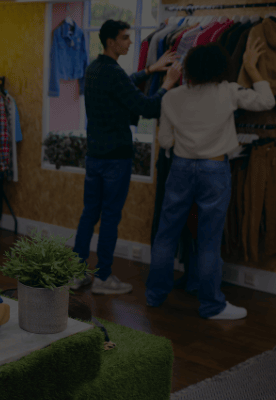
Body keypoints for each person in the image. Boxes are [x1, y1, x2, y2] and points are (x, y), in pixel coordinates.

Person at [146, 38, 274, 319]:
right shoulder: (227, 91)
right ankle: (211, 305)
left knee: (166, 235)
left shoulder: (171, 97)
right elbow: (267, 100)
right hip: (214, 170)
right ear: (221, 67)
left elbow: (165, 140)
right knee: (208, 239)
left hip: (179, 168)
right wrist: (251, 67)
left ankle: (154, 296)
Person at [68, 20, 183, 294]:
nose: (130, 42)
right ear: (111, 42)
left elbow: (123, 85)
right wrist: (167, 84)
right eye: (124, 37)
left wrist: (148, 70)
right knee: (110, 218)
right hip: (116, 158)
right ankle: (104, 278)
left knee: (88, 215)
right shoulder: (113, 73)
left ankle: (77, 274)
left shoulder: (95, 69)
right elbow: (147, 107)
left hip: (94, 156)